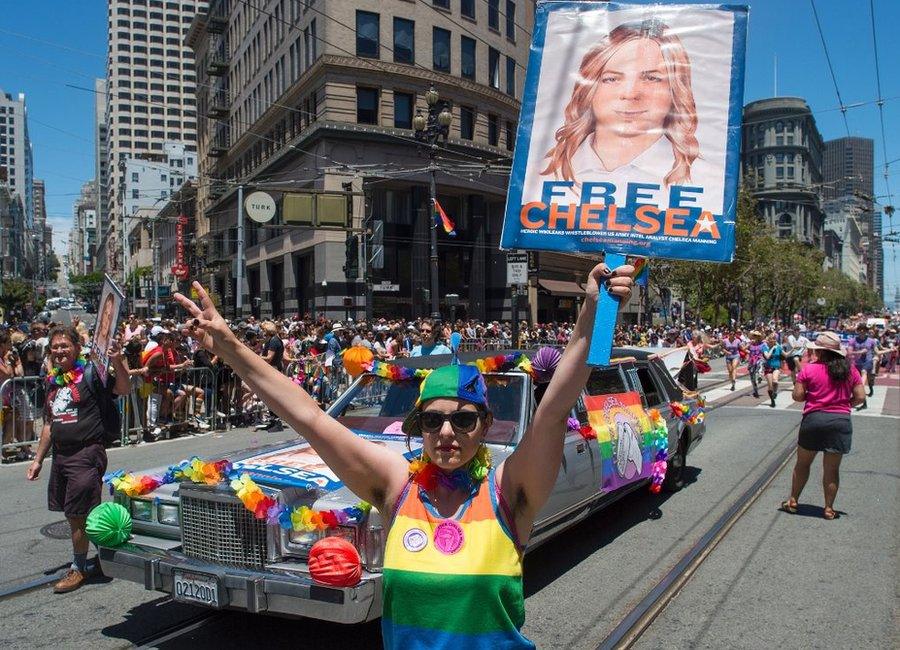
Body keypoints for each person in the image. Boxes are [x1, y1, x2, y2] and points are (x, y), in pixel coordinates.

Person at [174, 262, 634, 648]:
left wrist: (594, 311)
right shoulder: (398, 487)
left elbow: (552, 412)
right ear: (418, 428)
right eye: (433, 421)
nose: (447, 433)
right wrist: (231, 347)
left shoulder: (508, 490)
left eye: (464, 420)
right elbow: (310, 417)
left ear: (485, 426)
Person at [539, 19, 711, 206]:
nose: (630, 94)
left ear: (676, 90)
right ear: (589, 88)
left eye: (652, 78)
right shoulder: (545, 172)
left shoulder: (705, 178)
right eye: (612, 79)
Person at [25, 326, 131, 593]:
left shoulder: (91, 374)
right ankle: (111, 551)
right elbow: (50, 422)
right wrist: (39, 459)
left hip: (86, 452)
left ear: (77, 347)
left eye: (65, 345)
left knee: (76, 514)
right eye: (55, 346)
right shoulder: (54, 380)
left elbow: (124, 388)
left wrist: (117, 360)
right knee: (82, 511)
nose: (59, 351)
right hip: (61, 454)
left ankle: (78, 568)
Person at [781, 332, 865, 520]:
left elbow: (798, 396)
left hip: (814, 419)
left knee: (802, 464)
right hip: (840, 421)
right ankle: (828, 509)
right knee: (832, 469)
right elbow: (860, 397)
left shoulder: (809, 369)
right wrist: (843, 405)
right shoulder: (851, 371)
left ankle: (793, 501)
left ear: (820, 351)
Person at [846, 324, 877, 409]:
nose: (862, 331)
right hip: (856, 364)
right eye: (860, 329)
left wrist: (887, 351)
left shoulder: (872, 341)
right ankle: (864, 403)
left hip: (868, 362)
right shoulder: (852, 341)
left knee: (864, 374)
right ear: (858, 331)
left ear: (867, 331)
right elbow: (849, 352)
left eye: (864, 330)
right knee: (856, 383)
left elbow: (876, 351)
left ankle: (869, 388)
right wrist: (860, 352)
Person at [761, 332, 783, 408]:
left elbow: (785, 354)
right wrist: (773, 348)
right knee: (770, 387)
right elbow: (767, 356)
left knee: (775, 381)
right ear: (768, 340)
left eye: (774, 339)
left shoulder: (778, 347)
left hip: (776, 367)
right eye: (771, 339)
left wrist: (793, 350)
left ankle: (775, 392)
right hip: (768, 368)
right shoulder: (765, 347)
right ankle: (772, 401)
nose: (773, 340)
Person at [746, 330, 765, 399]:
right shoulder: (750, 344)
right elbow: (744, 349)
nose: (754, 337)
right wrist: (748, 346)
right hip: (752, 360)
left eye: (756, 336)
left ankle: (760, 375)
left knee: (760, 363)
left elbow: (766, 350)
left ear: (758, 337)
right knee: (752, 376)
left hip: (759, 358)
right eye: (753, 336)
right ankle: (755, 390)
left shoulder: (763, 344)